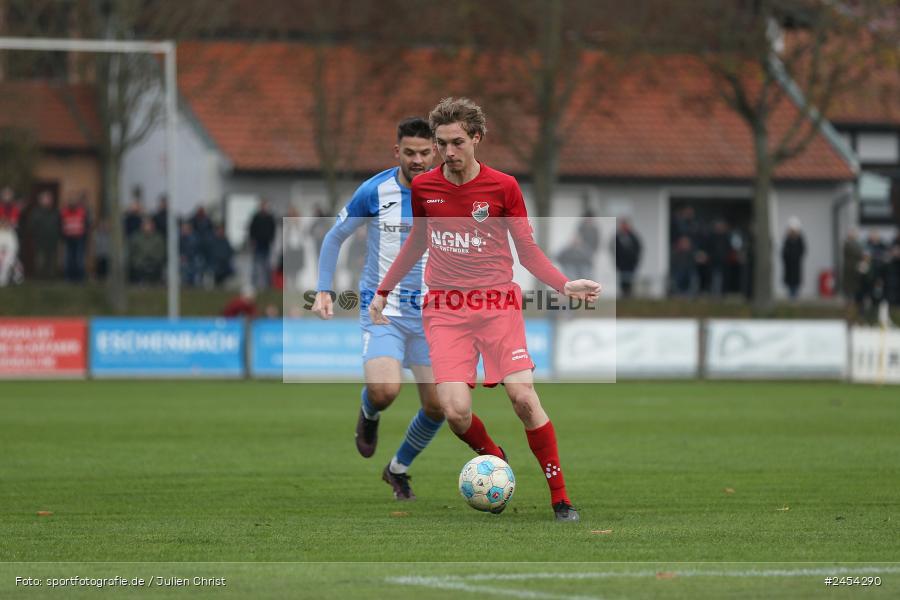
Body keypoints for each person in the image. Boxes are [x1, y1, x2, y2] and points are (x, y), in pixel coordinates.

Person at [370, 98, 600, 521]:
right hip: (444, 309)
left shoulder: (504, 187)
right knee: (454, 411)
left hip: (497, 306)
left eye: (457, 142)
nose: (448, 152)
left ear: (477, 138)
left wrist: (564, 284)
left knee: (523, 398)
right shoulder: (424, 188)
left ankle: (560, 498)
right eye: (441, 144)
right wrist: (383, 291)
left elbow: (527, 252)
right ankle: (496, 461)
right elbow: (417, 243)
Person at [312, 117, 443, 501]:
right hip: (381, 308)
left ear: (434, 151)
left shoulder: (448, 192)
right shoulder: (374, 190)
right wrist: (324, 289)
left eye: (424, 152)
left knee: (438, 407)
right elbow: (334, 236)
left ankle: (397, 469)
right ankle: (369, 414)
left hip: (432, 314)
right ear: (396, 152)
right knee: (385, 391)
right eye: (409, 153)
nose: (417, 160)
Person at [26, 190, 61, 280]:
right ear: (40, 200)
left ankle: (51, 278)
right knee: (40, 261)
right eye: (46, 198)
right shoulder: (35, 213)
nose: (48, 200)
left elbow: (59, 225)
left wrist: (58, 237)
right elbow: (31, 227)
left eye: (49, 199)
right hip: (40, 242)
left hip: (52, 242)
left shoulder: (55, 212)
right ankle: (40, 279)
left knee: (52, 261)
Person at [60, 192, 90, 282]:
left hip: (79, 238)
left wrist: (84, 236)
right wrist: (63, 236)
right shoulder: (64, 212)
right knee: (68, 258)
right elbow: (60, 225)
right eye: (71, 202)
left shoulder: (82, 212)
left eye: (74, 202)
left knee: (79, 258)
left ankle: (79, 277)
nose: (72, 203)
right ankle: (69, 277)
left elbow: (86, 225)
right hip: (68, 238)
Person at [248, 200, 276, 290]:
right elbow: (251, 229)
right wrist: (253, 240)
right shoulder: (256, 217)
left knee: (267, 265)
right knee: (256, 265)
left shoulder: (270, 217)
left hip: (266, 245)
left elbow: (273, 230)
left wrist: (271, 239)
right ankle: (254, 284)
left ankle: (268, 285)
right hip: (258, 244)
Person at [128, 217, 165, 284]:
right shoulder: (135, 237)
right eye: (145, 225)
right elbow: (132, 251)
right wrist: (137, 260)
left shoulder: (158, 237)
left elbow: (161, 252)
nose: (147, 227)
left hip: (154, 263)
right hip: (139, 263)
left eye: (149, 225)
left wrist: (154, 258)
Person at [613, 219, 642, 297]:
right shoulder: (617, 237)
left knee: (630, 280)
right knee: (622, 281)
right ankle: (623, 295)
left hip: (631, 264)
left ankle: (629, 295)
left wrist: (635, 259)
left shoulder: (633, 237)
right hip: (621, 264)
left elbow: (638, 248)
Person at [781, 217, 806, 299]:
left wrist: (795, 256)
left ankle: (794, 295)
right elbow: (784, 252)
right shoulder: (787, 239)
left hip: (796, 264)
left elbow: (802, 250)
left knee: (796, 281)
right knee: (789, 282)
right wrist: (787, 257)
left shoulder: (799, 239)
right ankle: (791, 295)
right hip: (789, 265)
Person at [0, 216, 18, 286]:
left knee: (7, 262)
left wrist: (6, 252)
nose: (3, 225)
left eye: (5, 224)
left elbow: (14, 246)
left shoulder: (11, 233)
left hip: (8, 254)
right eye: (2, 223)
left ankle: (3, 280)